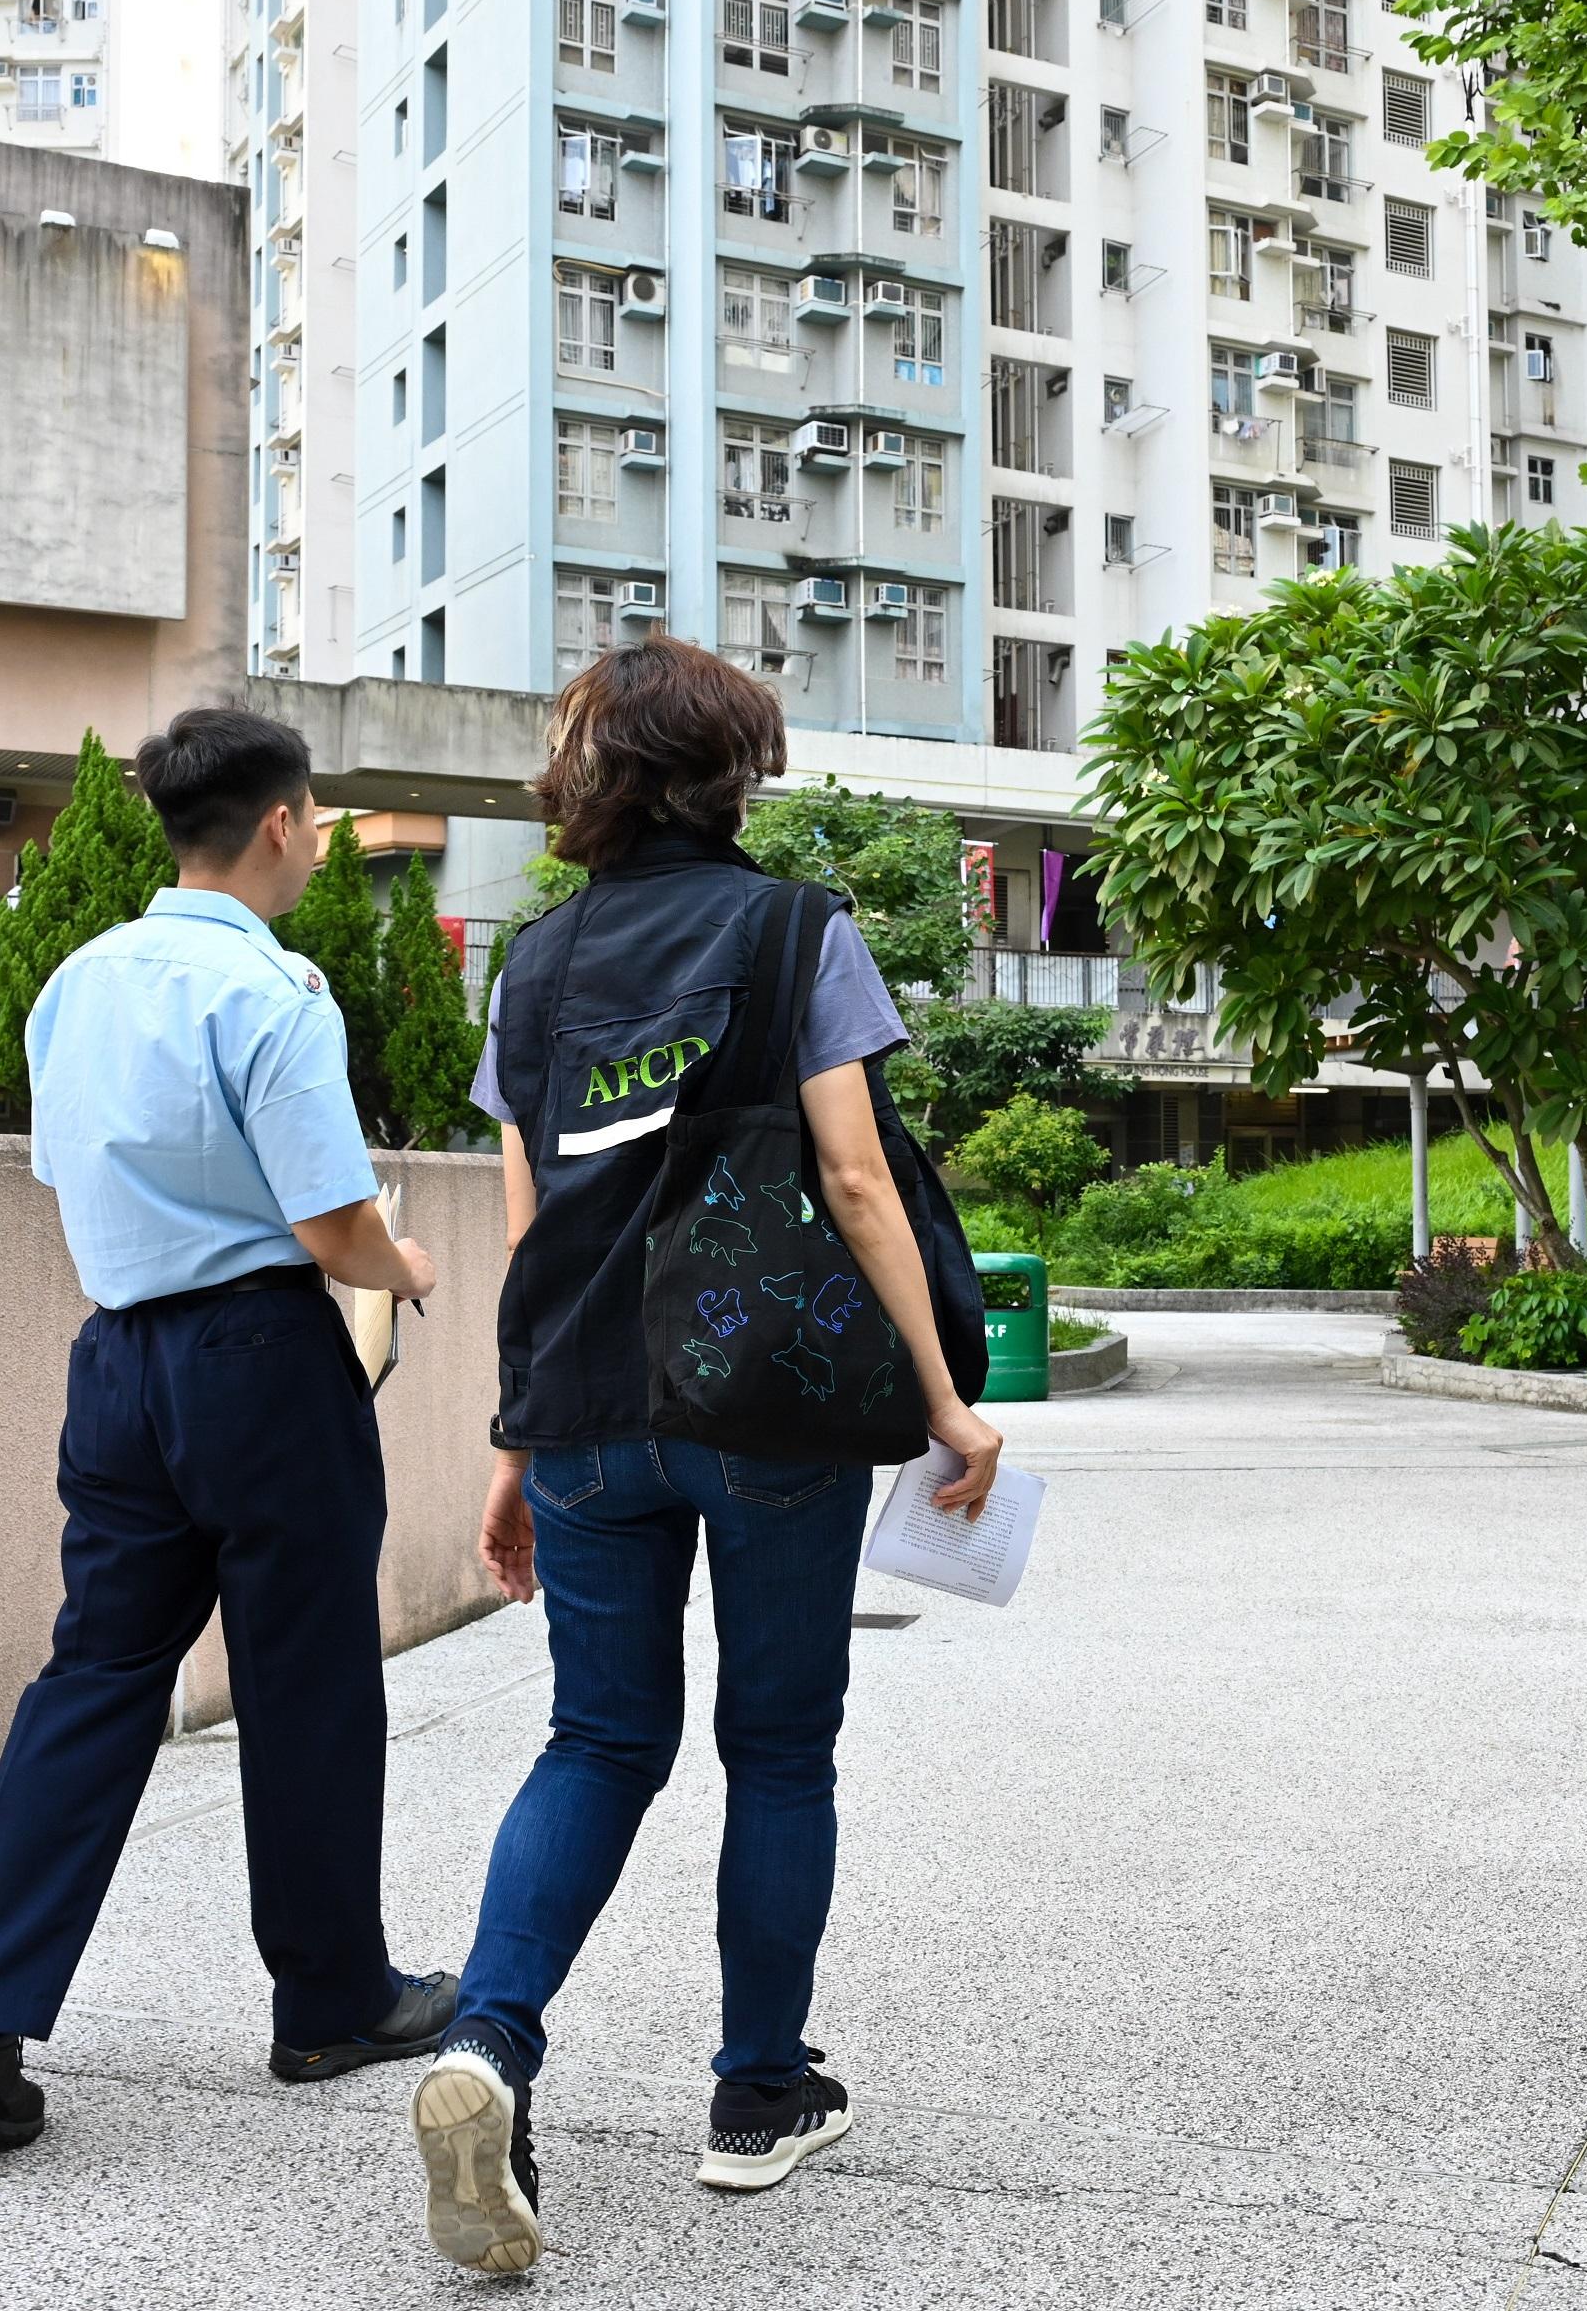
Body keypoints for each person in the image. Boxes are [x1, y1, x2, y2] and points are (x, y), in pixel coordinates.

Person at [407, 641, 1004, 2276]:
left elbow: (529, 1220)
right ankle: (756, 2093)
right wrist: (946, 1401)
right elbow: (858, 1177)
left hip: (587, 1405)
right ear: (733, 771)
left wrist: (514, 1436)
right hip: (767, 1401)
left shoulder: (529, 969)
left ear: (589, 774)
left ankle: (487, 2047)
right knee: (780, 1749)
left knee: (594, 1739)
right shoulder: (793, 926)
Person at [0, 708, 457, 2149]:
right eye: (317, 820)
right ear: (280, 824)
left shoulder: (74, 984)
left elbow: (63, 1175)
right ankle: (330, 2000)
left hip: (119, 1363)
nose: (319, 840)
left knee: (92, 1681)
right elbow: (330, 1222)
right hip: (264, 1360)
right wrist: (411, 1266)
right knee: (307, 1677)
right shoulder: (277, 996)